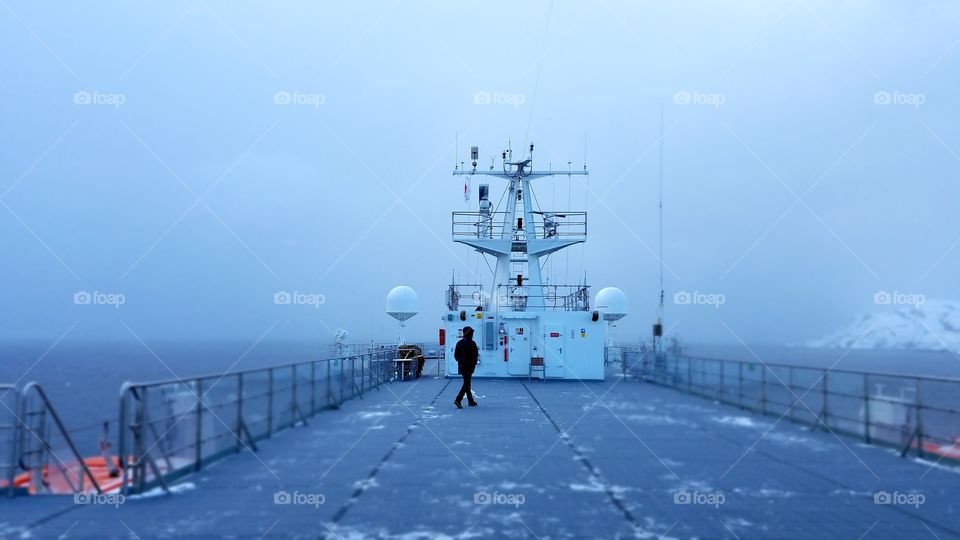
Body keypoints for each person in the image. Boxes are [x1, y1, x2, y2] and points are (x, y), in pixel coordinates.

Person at [454, 326, 479, 408]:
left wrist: (461, 362)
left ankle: (470, 400)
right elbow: (475, 356)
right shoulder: (472, 343)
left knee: (467, 383)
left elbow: (456, 356)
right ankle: (458, 399)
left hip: (462, 366)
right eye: (471, 333)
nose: (472, 334)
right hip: (469, 366)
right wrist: (473, 365)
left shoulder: (459, 343)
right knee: (466, 384)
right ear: (469, 333)